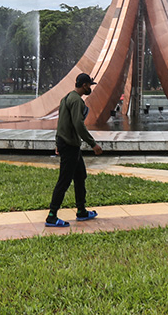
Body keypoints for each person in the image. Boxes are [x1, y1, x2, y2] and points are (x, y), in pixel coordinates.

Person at [45, 72, 103, 227]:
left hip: (70, 145)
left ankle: (81, 211)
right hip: (70, 146)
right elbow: (78, 125)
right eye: (89, 85)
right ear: (84, 85)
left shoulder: (67, 98)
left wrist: (58, 142)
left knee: (80, 176)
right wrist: (93, 144)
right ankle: (52, 216)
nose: (90, 87)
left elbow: (61, 122)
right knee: (64, 181)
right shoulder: (76, 101)